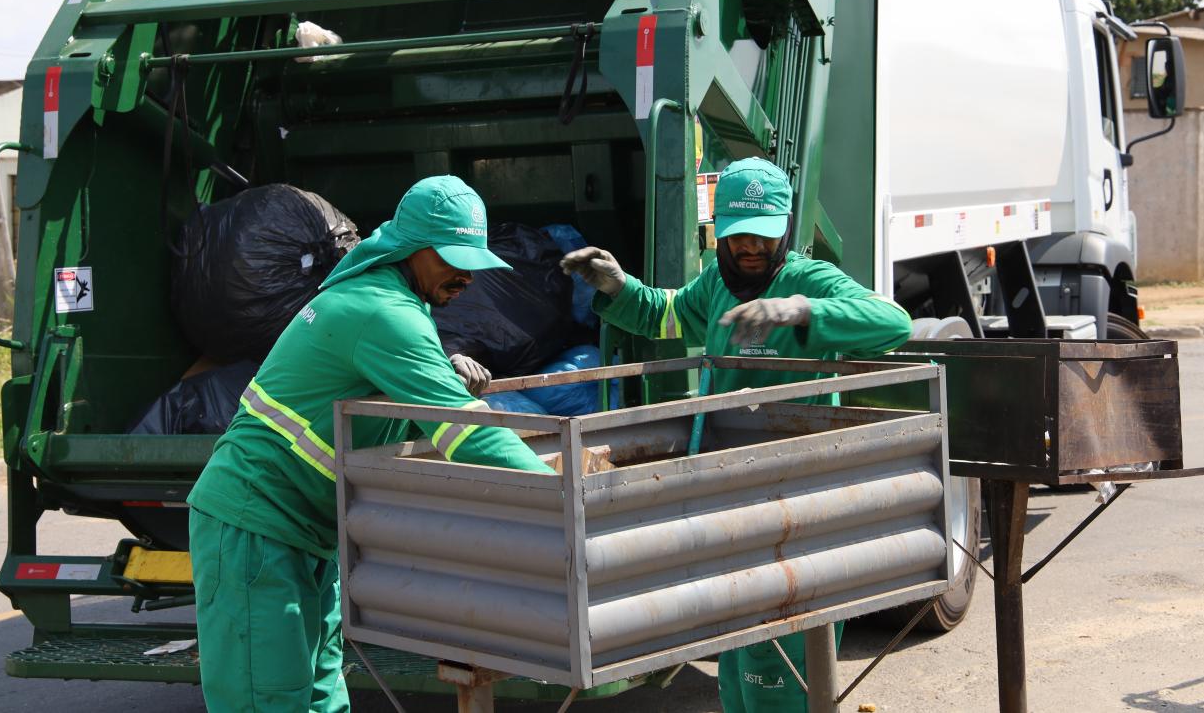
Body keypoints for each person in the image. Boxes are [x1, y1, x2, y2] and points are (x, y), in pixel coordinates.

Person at [188, 175, 554, 712]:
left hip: (304, 531)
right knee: (268, 701)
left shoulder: (393, 302)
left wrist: (433, 377)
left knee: (321, 698)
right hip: (255, 523)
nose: (467, 277)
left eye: (472, 261)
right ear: (412, 248)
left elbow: (377, 405)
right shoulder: (385, 313)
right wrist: (565, 494)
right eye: (453, 259)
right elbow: (468, 434)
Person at [560, 157, 913, 713]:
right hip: (726, 493)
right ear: (717, 232)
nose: (750, 247)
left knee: (782, 657)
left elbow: (893, 322)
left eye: (763, 236)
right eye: (738, 235)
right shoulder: (716, 283)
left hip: (796, 501)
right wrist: (622, 288)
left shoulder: (807, 280)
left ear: (787, 230)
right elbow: (669, 315)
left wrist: (801, 311)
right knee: (732, 649)